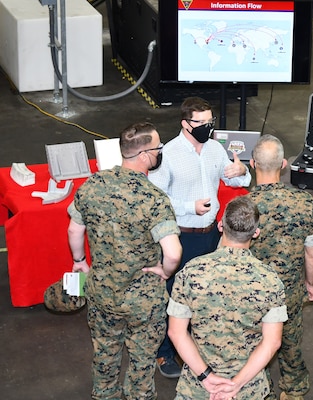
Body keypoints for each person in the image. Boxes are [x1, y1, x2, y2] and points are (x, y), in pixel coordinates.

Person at [67, 122, 182, 400]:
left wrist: (80, 261)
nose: (159, 153)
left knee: (105, 354)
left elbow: (74, 230)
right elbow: (174, 253)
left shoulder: (93, 184)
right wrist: (164, 271)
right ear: (144, 155)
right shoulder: (154, 198)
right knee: (142, 362)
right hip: (143, 301)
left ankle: (104, 394)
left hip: (102, 293)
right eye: (157, 148)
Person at [149, 96, 251, 377]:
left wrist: (242, 172)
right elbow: (156, 200)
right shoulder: (167, 154)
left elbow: (234, 179)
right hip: (181, 237)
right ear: (185, 123)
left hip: (211, 237)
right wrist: (187, 208)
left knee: (205, 295)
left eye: (210, 122)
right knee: (174, 297)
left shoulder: (215, 149)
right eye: (201, 123)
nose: (207, 127)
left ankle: (196, 348)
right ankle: (165, 353)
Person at [167, 195, 288, 400]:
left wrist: (206, 377)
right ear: (256, 233)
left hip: (198, 388)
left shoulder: (191, 272)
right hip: (247, 390)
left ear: (221, 225)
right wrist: (235, 385)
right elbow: (272, 342)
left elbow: (176, 333)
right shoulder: (270, 281)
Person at [247, 134, 313, 400]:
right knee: (290, 340)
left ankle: (261, 388)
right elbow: (312, 253)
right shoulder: (305, 202)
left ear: (252, 163)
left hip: (254, 294)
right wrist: (309, 284)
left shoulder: (244, 206)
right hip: (289, 291)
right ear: (283, 164)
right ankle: (293, 389)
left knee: (257, 343)